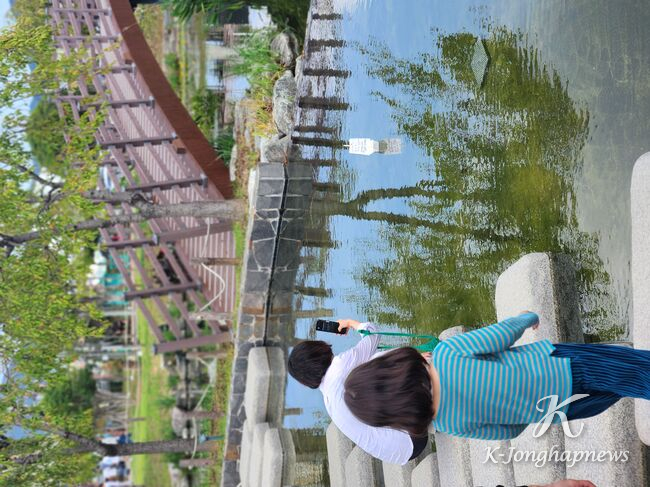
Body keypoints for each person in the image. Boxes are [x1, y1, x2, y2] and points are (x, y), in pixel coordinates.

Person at [343, 311, 650, 440]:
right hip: (561, 364)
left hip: (558, 409)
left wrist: (520, 408)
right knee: (632, 368)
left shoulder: (449, 425)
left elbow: (509, 433)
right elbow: (502, 334)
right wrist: (526, 318)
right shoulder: (448, 353)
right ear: (395, 364)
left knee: (623, 387)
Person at [288, 319, 424, 465]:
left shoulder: (329, 401)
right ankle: (423, 362)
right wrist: (350, 323)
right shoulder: (340, 366)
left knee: (367, 369)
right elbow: (373, 334)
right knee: (375, 359)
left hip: (403, 452)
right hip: (411, 434)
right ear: (316, 349)